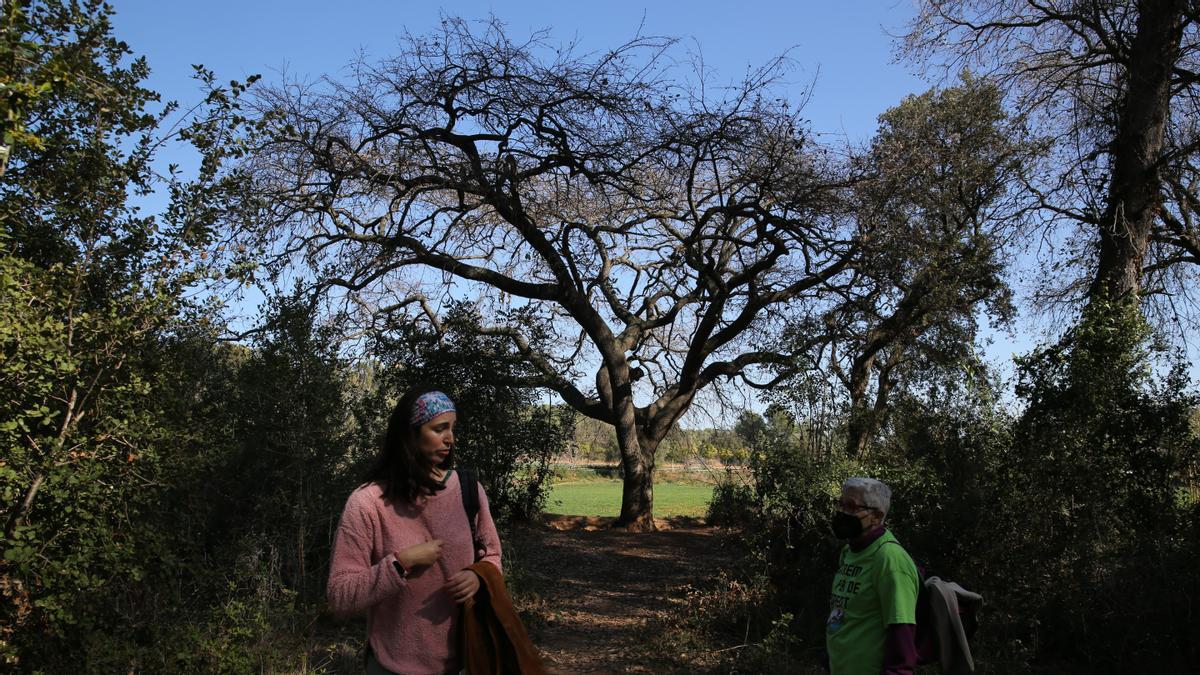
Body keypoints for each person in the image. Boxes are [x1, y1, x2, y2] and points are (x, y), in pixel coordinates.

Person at [327, 386, 502, 675]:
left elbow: (493, 555)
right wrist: (400, 563)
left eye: (452, 428)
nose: (450, 438)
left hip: (467, 662)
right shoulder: (367, 503)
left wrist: (478, 576)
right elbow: (340, 597)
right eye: (439, 428)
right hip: (391, 667)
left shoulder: (469, 490)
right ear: (410, 434)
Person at [826, 477, 920, 675]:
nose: (842, 512)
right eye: (841, 505)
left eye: (851, 507)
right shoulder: (849, 552)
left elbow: (902, 637)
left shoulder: (890, 559)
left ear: (876, 516)